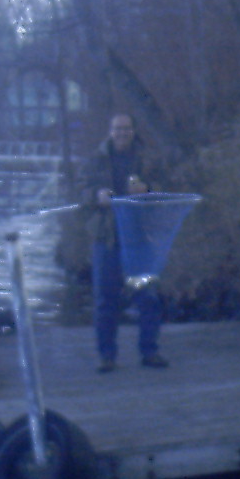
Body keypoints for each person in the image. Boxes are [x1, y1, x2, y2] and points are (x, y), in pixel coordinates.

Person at [83, 112, 167, 372]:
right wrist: (96, 194)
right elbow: (80, 190)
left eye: (127, 128)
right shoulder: (95, 159)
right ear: (110, 131)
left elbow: (165, 188)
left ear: (134, 131)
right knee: (105, 300)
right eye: (118, 129)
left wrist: (148, 189)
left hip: (140, 237)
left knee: (148, 297)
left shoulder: (149, 158)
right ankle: (106, 356)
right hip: (106, 238)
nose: (122, 133)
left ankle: (150, 351)